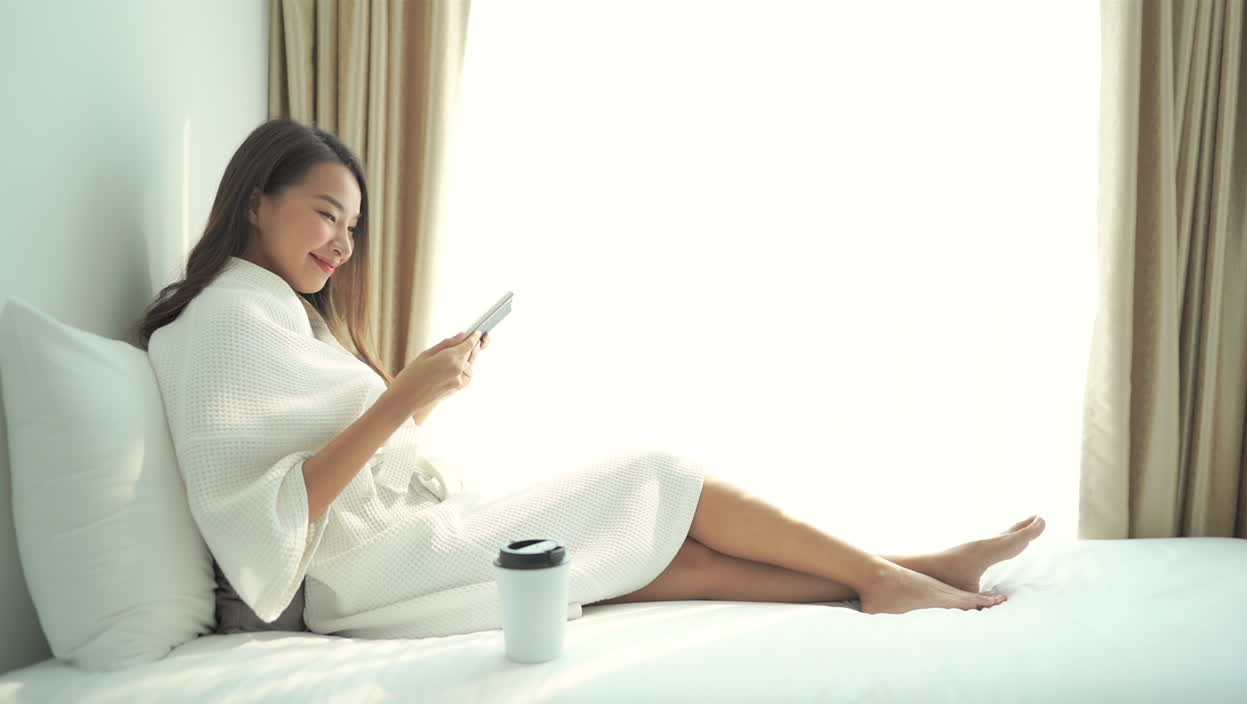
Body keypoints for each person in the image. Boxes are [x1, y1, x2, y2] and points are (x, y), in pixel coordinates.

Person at [135, 118, 1046, 640]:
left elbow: (315, 461)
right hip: (354, 570)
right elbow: (262, 520)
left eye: (353, 227)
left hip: (394, 538)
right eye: (327, 215)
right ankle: (889, 575)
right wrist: (405, 396)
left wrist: (418, 398)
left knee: (650, 562)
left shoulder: (276, 313)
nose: (343, 244)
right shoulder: (217, 323)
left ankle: (905, 571)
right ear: (256, 201)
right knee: (652, 474)